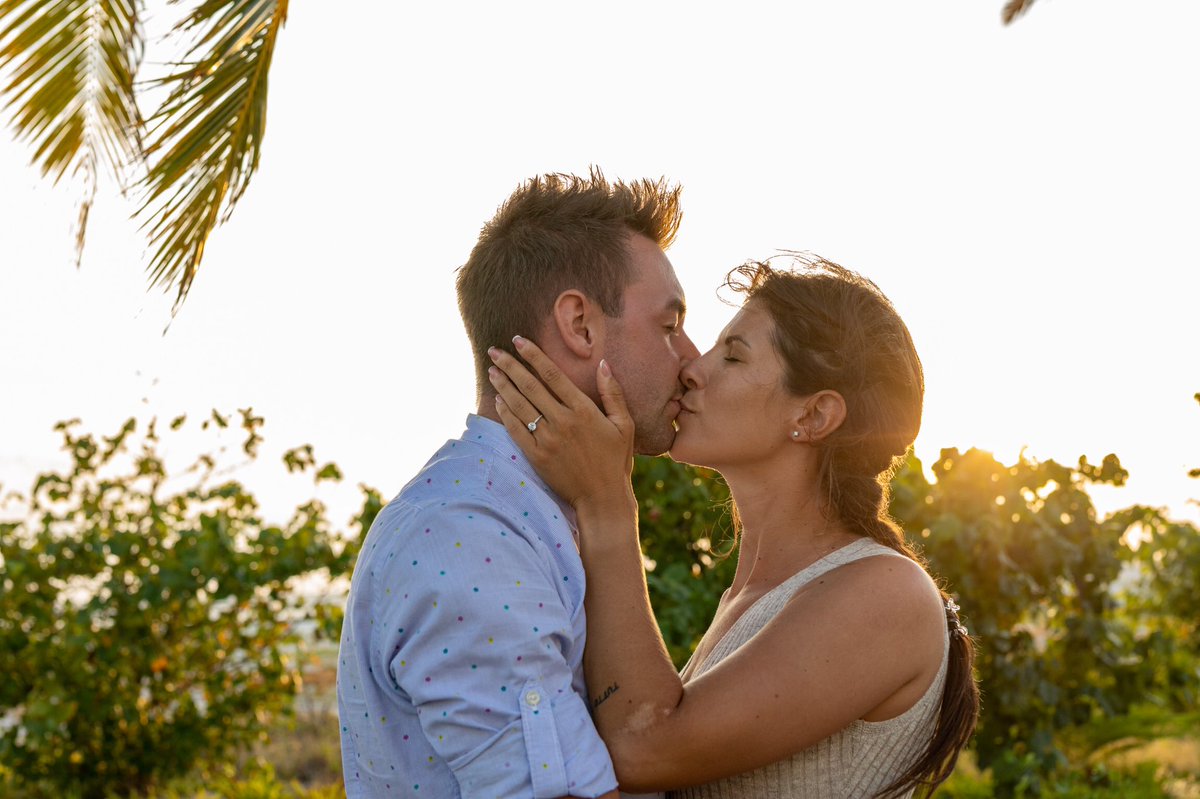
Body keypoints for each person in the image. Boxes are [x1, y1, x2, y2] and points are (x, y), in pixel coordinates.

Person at [487, 256, 980, 798]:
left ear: (813, 416)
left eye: (735, 356)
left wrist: (606, 499)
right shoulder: (748, 598)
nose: (694, 367)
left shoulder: (888, 593)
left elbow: (644, 746)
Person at [335, 170, 700, 799]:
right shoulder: (471, 534)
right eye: (669, 326)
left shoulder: (538, 515)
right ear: (580, 325)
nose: (692, 358)